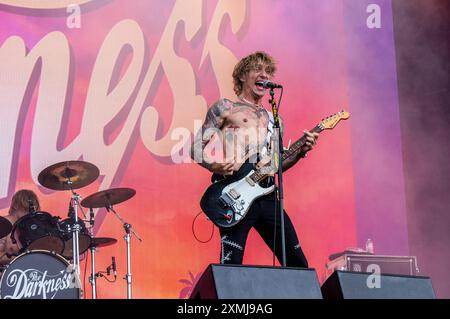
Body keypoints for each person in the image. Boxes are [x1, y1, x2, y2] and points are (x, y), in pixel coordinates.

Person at [191, 51, 319, 267]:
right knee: (231, 267)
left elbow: (276, 166)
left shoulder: (274, 120)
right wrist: (213, 164)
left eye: (268, 71)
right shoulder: (225, 107)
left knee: (298, 264)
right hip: (235, 194)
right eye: (258, 69)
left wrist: (300, 152)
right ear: (242, 75)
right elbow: (195, 148)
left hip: (267, 196)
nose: (264, 75)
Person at [0, 189, 40, 266]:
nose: (29, 213)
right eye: (26, 209)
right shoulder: (2, 224)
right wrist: (24, 258)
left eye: (32, 211)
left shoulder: (27, 228)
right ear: (16, 206)